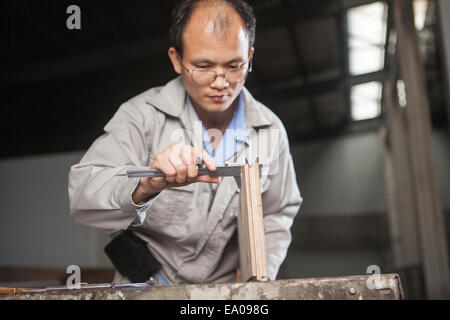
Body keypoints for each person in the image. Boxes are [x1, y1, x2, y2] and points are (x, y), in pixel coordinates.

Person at [68, 0, 302, 286]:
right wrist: (146, 185)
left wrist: (255, 272)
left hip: (225, 295)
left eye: (234, 65)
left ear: (250, 57)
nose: (220, 82)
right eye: (202, 66)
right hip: (145, 288)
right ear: (176, 59)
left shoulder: (270, 131)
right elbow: (82, 195)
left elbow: (278, 212)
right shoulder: (142, 116)